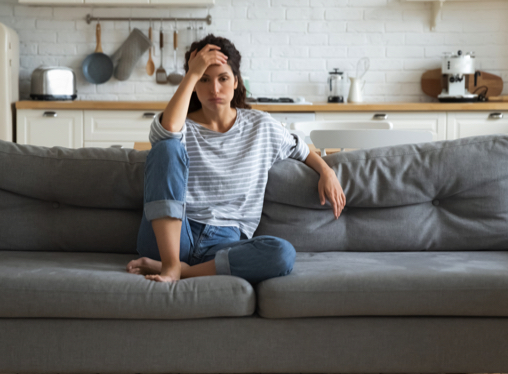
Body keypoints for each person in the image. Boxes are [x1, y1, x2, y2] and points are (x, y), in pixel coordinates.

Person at [126, 34, 345, 284]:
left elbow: (302, 150)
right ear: (194, 84)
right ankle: (171, 261)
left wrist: (327, 172)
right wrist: (191, 72)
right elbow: (166, 133)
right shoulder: (180, 125)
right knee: (166, 148)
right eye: (204, 79)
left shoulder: (260, 126)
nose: (214, 89)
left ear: (236, 81)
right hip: (171, 234)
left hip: (224, 243)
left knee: (282, 253)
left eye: (223, 78)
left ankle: (178, 270)